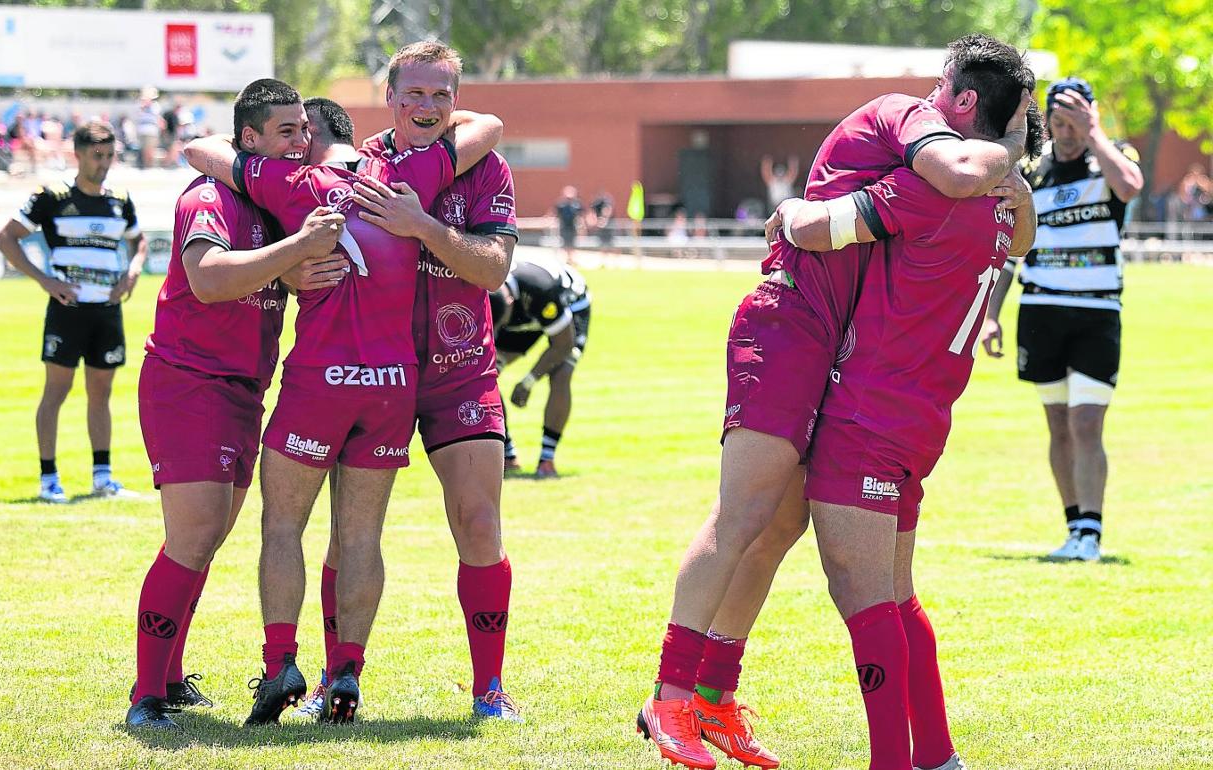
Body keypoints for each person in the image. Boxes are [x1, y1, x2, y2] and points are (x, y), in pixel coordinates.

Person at [637, 34, 1040, 770]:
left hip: (861, 387)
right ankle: (671, 698)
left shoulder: (948, 177)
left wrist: (791, 208)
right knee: (754, 517)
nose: (922, 100)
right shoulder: (961, 175)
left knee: (783, 530)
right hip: (802, 332)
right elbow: (1007, 233)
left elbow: (840, 216)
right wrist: (1018, 156)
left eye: (938, 85)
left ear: (962, 99)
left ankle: (715, 699)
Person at [184, 85, 502, 727]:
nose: (295, 142)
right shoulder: (404, 177)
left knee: (282, 526)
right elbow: (486, 127)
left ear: (311, 136)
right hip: (392, 385)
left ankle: (280, 665)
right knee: (360, 535)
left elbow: (200, 150)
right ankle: (346, 673)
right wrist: (452, 115)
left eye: (300, 132)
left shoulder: (291, 183)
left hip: (319, 384)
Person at [294, 46, 522, 721]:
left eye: (440, 96)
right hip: (375, 372)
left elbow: (492, 270)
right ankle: (338, 682)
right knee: (350, 533)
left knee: (478, 522)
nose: (427, 107)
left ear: (457, 101)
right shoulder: (361, 170)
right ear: (388, 96)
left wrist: (423, 227)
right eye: (414, 93)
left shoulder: (486, 168)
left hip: (461, 372)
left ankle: (489, 690)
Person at [125, 78, 350, 730]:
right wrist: (295, 251)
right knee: (192, 535)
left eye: (305, 130)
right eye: (287, 131)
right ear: (247, 139)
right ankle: (146, 698)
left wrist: (295, 266)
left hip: (242, 390)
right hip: (187, 381)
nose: (302, 141)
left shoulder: (278, 200)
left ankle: (167, 677)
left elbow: (279, 269)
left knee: (208, 536)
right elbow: (208, 277)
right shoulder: (211, 195)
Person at [980, 77, 1143, 563]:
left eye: (1075, 122)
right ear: (1047, 122)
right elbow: (1010, 256)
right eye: (1058, 122)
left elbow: (1131, 188)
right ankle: (1075, 527)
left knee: (1087, 421)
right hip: (1042, 312)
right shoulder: (1035, 173)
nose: (1066, 132)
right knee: (1058, 424)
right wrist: (991, 316)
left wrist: (1096, 135)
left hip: (1097, 312)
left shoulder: (1112, 160)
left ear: (1090, 119)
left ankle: (1091, 534)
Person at [0, 120, 148, 504]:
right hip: (67, 310)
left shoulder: (120, 198)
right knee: (56, 392)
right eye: (97, 156)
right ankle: (49, 479)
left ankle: (102, 477)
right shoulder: (52, 196)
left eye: (110, 155)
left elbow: (139, 240)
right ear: (77, 155)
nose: (105, 163)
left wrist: (131, 272)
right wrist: (45, 280)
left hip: (107, 310)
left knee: (102, 393)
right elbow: (6, 238)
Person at [488, 251, 590, 479]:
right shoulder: (485, 284)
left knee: (562, 371)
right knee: (486, 373)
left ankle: (547, 460)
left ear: (510, 302)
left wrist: (528, 381)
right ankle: (507, 455)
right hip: (519, 311)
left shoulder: (539, 288)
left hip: (567, 304)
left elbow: (562, 345)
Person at [553, 185, 584, 263]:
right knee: (565, 243)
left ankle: (571, 258)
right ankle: (567, 258)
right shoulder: (561, 205)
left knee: (573, 243)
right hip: (564, 227)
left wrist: (582, 228)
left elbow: (580, 217)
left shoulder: (577, 205)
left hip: (573, 227)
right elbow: (555, 214)